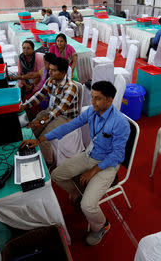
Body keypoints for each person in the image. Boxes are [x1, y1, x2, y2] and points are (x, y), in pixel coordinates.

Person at [20, 81, 130, 246]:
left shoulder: (120, 123)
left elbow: (118, 155)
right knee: (56, 175)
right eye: (92, 97)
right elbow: (69, 126)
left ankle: (101, 226)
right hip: (89, 155)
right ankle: (78, 195)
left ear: (109, 100)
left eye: (97, 99)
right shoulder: (92, 112)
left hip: (107, 164)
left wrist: (93, 171)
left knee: (88, 206)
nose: (92, 102)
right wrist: (40, 139)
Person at [19, 57, 79, 164]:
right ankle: (31, 152)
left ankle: (47, 163)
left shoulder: (70, 87)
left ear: (62, 73)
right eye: (50, 69)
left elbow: (59, 111)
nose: (49, 72)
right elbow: (40, 95)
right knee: (31, 128)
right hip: (51, 111)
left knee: (44, 138)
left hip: (65, 117)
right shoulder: (51, 80)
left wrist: (41, 122)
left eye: (53, 70)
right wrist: (25, 106)